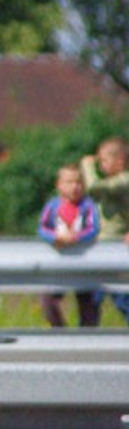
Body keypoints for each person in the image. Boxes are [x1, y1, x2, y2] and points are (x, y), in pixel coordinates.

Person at [38, 163, 102, 328]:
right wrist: (55, 237)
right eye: (69, 182)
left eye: (78, 182)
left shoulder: (88, 206)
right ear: (58, 185)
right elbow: (42, 228)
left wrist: (75, 238)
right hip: (59, 264)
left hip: (85, 264)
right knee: (47, 299)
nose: (75, 187)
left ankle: (87, 338)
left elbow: (93, 229)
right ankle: (60, 330)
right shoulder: (52, 206)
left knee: (88, 304)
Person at [80, 137, 129, 322]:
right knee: (92, 299)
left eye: (103, 161)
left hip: (115, 248)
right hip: (102, 248)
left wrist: (87, 166)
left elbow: (93, 187)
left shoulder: (123, 181)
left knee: (122, 298)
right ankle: (87, 338)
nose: (100, 166)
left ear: (120, 161)